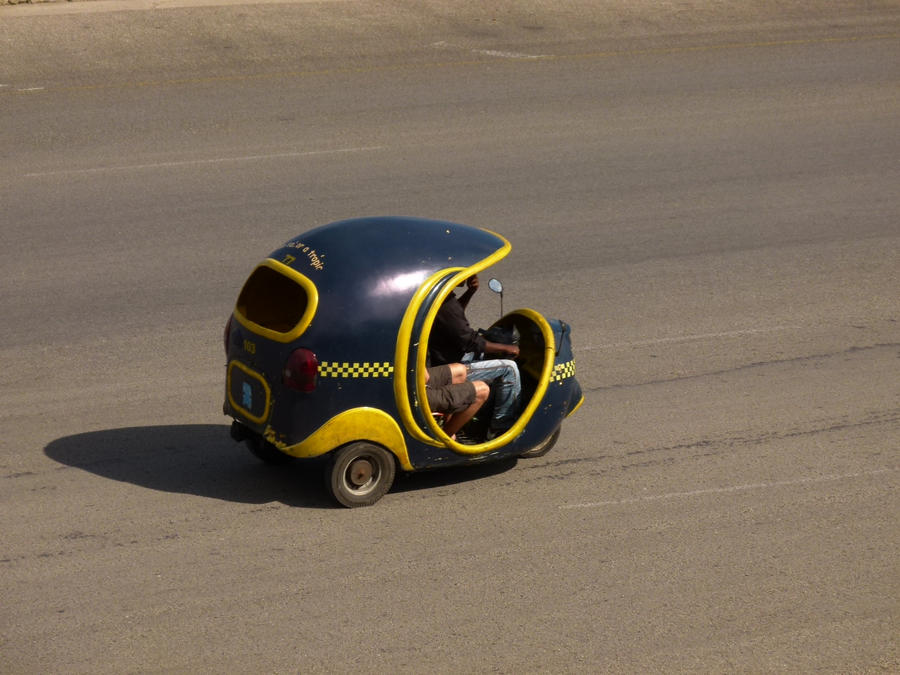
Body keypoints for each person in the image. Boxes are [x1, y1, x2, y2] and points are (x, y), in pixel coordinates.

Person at [429, 275, 521, 437]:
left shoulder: (442, 297)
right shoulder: (445, 303)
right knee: (509, 368)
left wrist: (470, 291)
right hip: (447, 361)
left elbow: (453, 317)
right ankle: (500, 427)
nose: (473, 276)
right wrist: (507, 348)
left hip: (447, 356)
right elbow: (470, 342)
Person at [425, 364, 489, 440]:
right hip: (412, 394)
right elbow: (425, 378)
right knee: (483, 391)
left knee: (460, 371)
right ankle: (443, 439)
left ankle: (446, 426)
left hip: (416, 382)